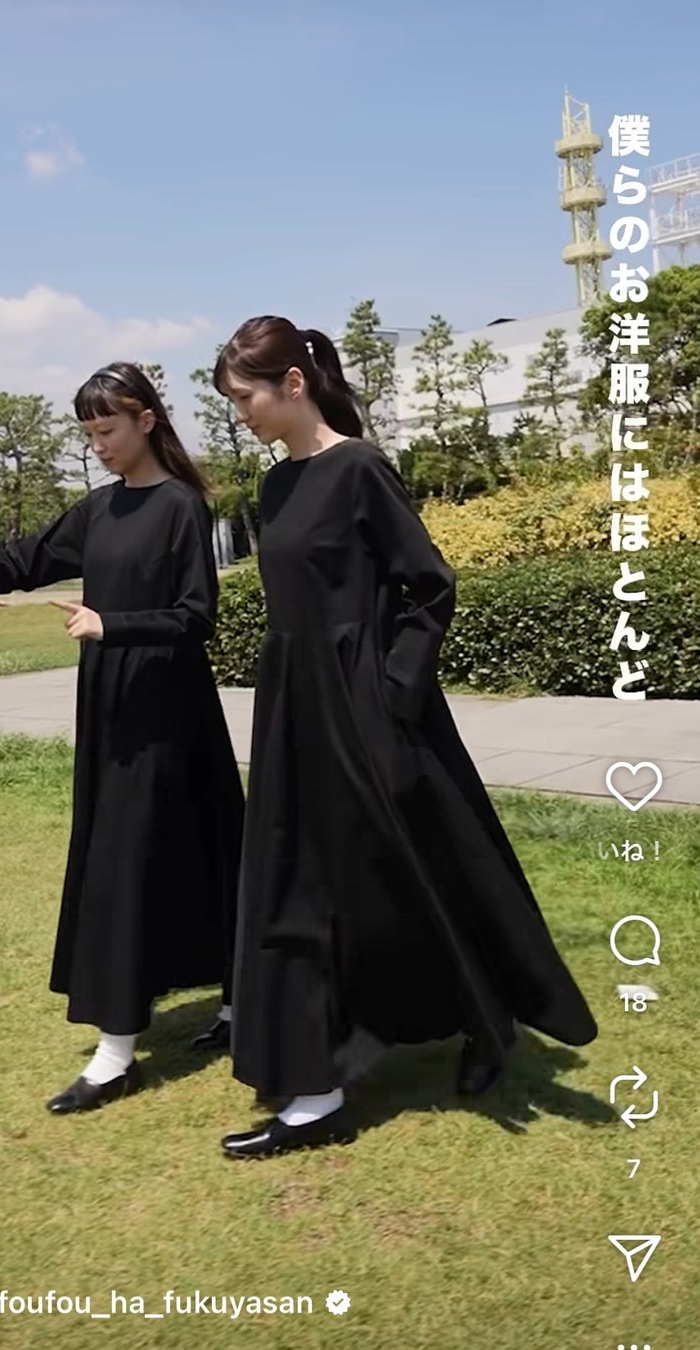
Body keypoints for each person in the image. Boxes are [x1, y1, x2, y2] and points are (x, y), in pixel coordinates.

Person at [212, 316, 598, 1159]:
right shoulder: (274, 489)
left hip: (369, 709)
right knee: (300, 882)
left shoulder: (359, 469)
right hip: (294, 713)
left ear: (293, 384)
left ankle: (484, 1020)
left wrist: (390, 691)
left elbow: (429, 585)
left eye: (244, 398)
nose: (239, 414)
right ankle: (318, 1082)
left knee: (416, 870)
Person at [0, 362, 244, 1113]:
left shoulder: (181, 507)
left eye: (107, 430)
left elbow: (196, 617)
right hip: (111, 712)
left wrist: (112, 623)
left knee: (174, 855)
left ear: (146, 420)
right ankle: (187, 1022)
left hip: (172, 712)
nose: (99, 446)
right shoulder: (99, 508)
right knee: (149, 854)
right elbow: (27, 558)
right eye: (89, 434)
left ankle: (141, 1046)